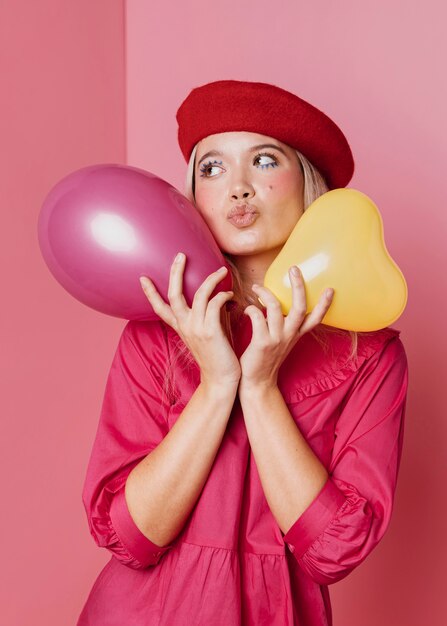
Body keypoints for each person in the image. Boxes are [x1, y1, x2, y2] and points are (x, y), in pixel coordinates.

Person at [77, 80, 409, 626]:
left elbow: (332, 550)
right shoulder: (154, 333)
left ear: (307, 186)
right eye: (212, 168)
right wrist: (215, 386)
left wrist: (259, 387)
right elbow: (132, 537)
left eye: (264, 161)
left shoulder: (371, 356)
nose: (238, 189)